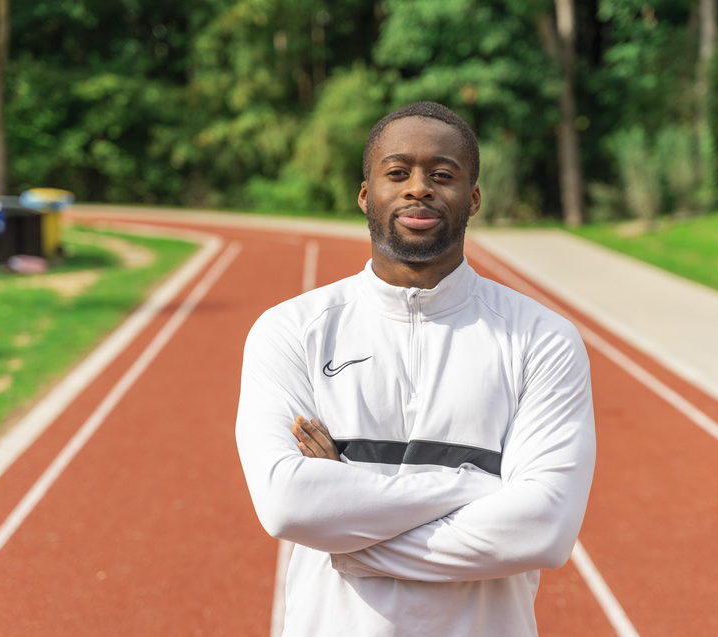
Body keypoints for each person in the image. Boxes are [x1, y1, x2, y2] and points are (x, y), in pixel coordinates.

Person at [236, 101, 596, 636]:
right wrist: (482, 486)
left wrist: (350, 528)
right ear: (366, 194)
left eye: (442, 175)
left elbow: (541, 529)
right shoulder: (291, 330)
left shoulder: (541, 339)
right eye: (398, 172)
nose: (419, 189)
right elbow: (289, 505)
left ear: (473, 198)